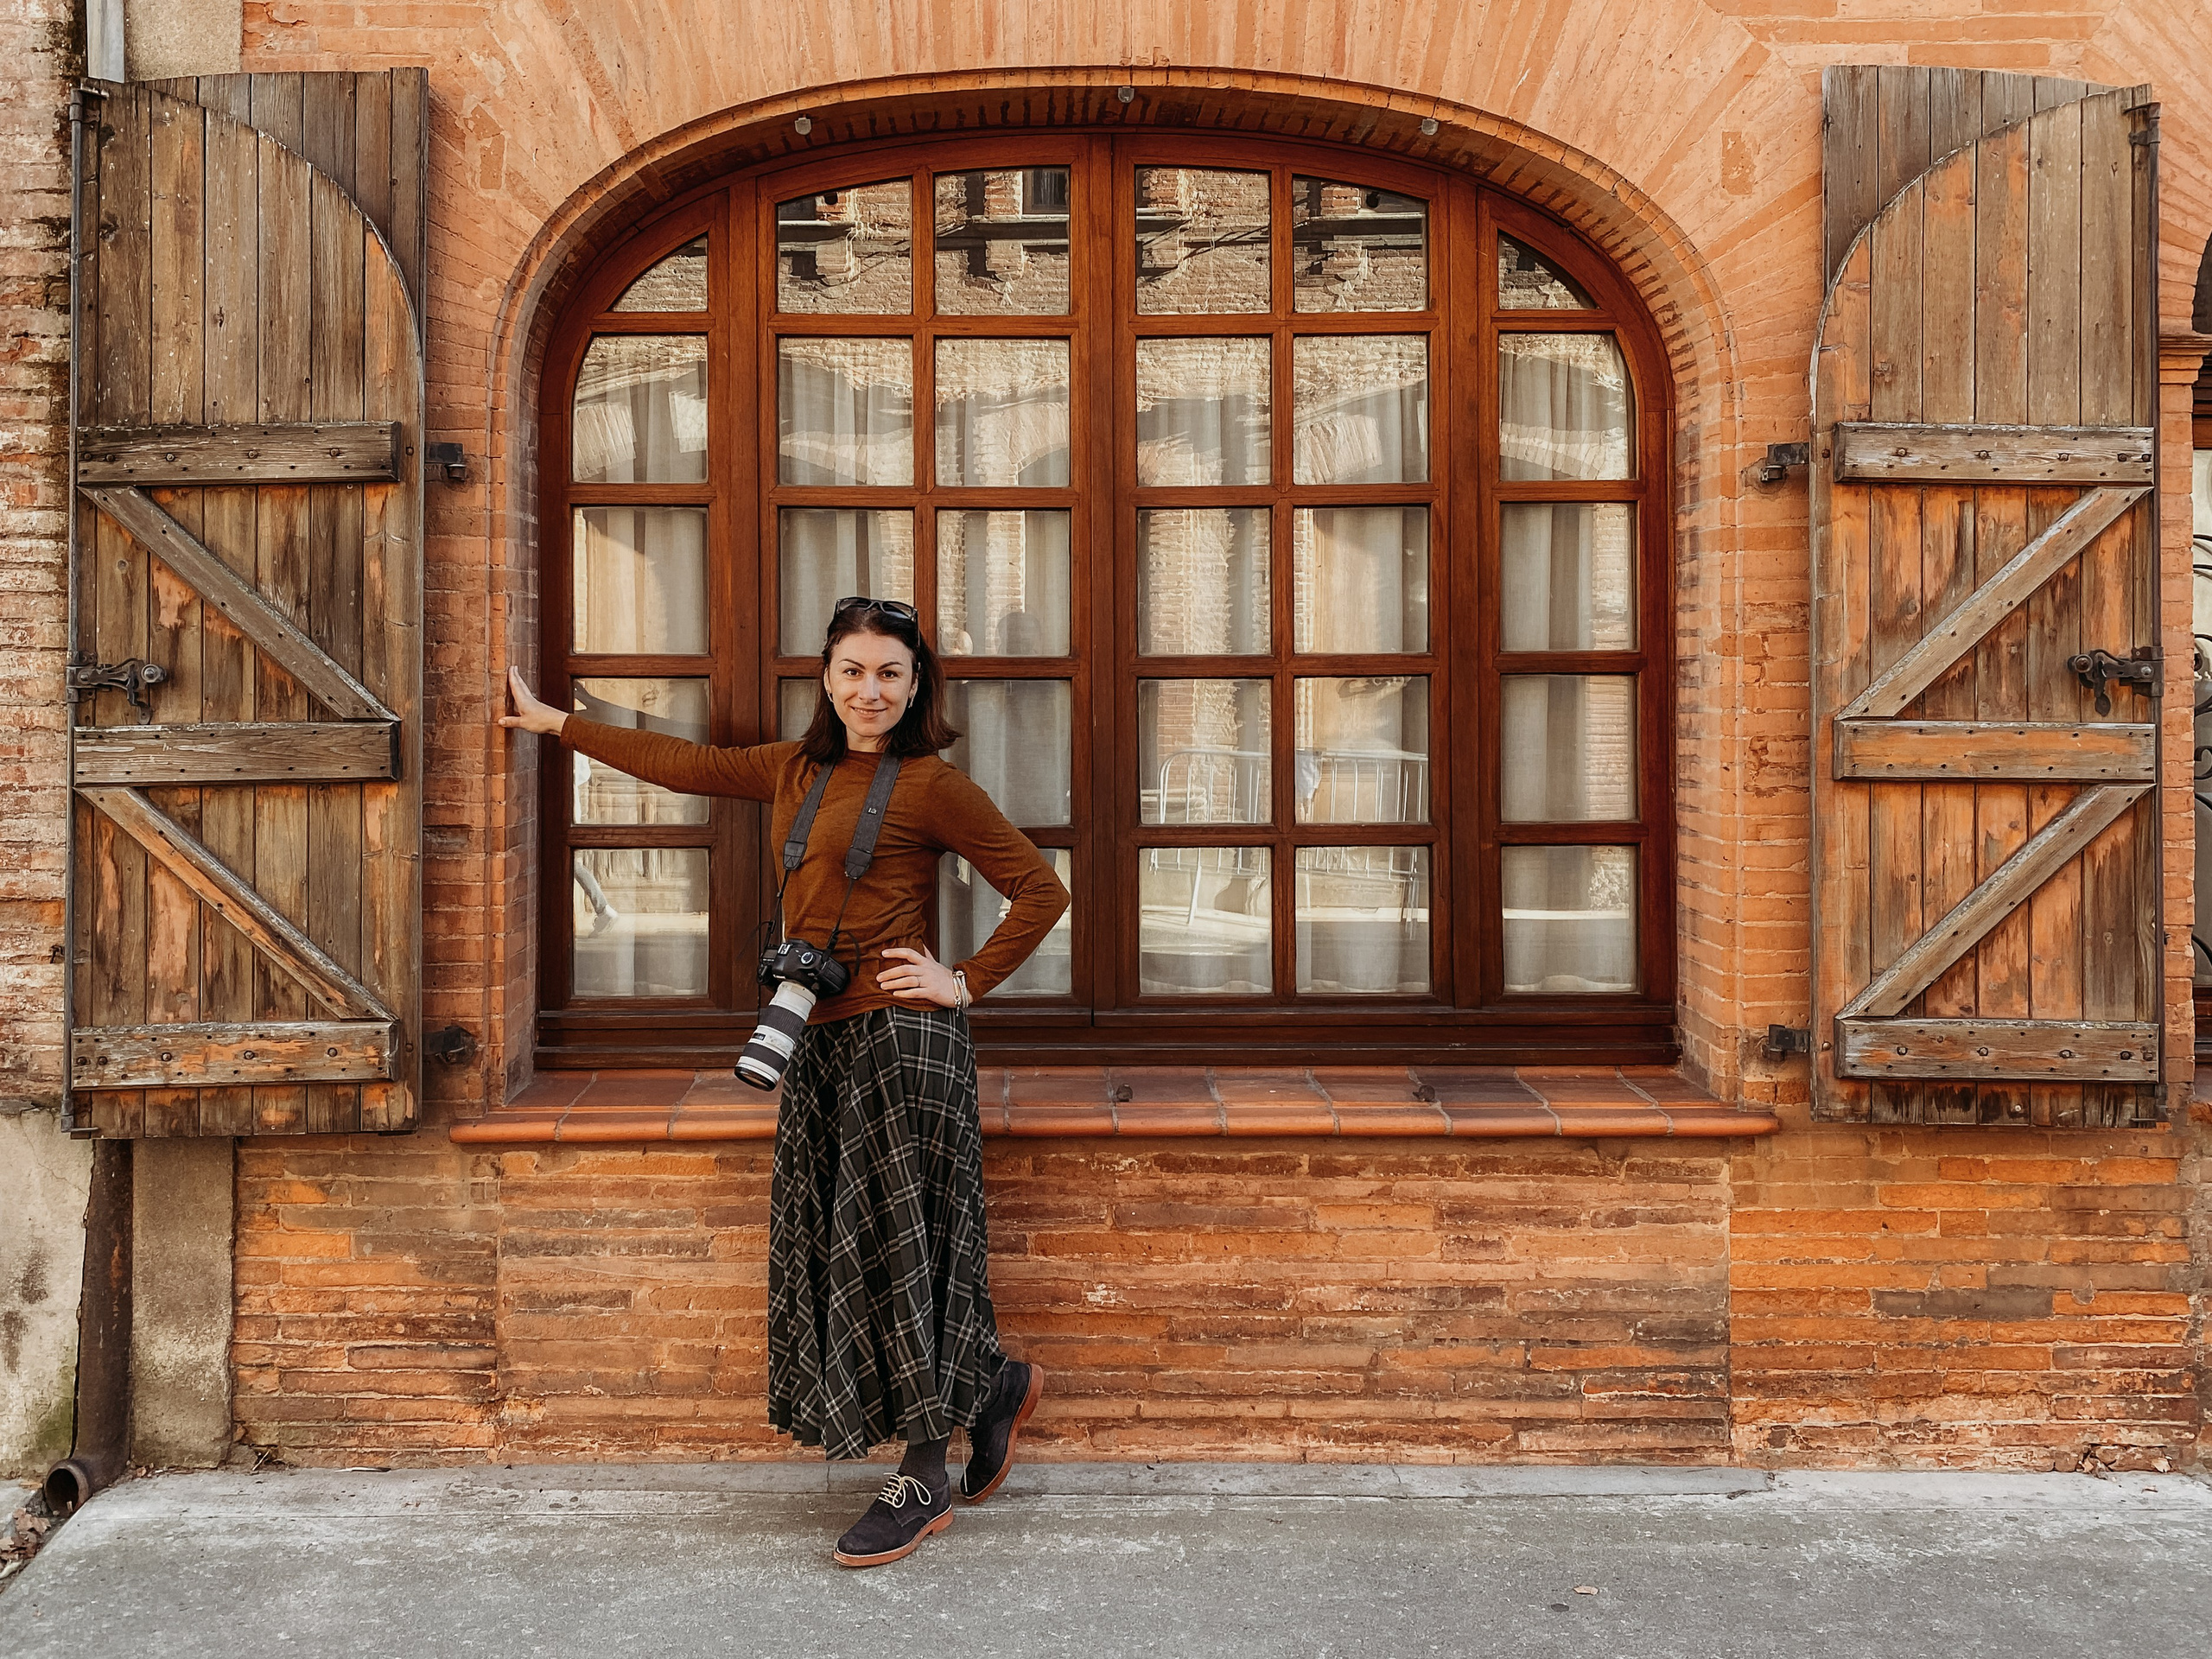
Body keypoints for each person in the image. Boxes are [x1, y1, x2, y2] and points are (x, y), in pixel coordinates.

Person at [500, 595, 1070, 1567]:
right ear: (826, 678)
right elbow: (683, 764)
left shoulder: (932, 785)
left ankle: (923, 1471)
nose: (870, 690)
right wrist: (555, 725)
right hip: (821, 1041)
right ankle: (991, 1384)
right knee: (852, 1240)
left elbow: (1040, 889)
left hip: (904, 1042)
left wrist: (961, 981)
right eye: (853, 670)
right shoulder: (791, 769)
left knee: (903, 1245)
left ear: (915, 682)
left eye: (890, 672)